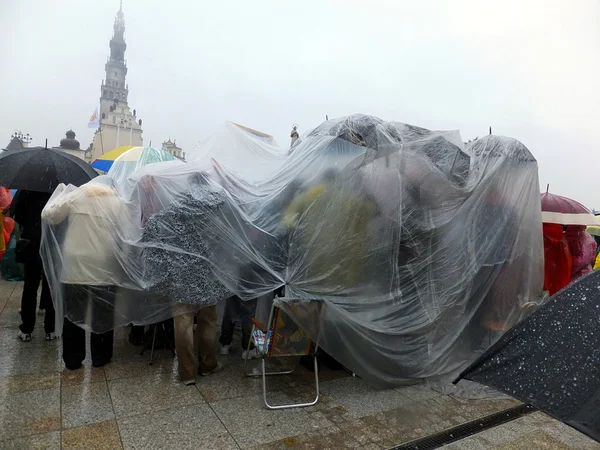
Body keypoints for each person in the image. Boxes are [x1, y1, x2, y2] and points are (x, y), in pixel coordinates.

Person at [42, 183, 126, 369]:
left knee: (73, 314)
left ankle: (73, 358)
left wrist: (61, 193)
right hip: (105, 264)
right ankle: (100, 357)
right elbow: (127, 232)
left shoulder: (76, 196)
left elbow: (48, 215)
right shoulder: (117, 202)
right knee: (103, 314)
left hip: (75, 265)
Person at [12, 190, 55, 342]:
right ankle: (51, 329)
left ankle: (26, 328)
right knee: (50, 286)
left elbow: (17, 215)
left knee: (30, 286)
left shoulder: (26, 189)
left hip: (31, 241)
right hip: (51, 242)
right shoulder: (57, 188)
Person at [219, 295, 259, 359]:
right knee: (248, 314)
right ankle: (247, 349)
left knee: (230, 309)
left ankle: (225, 344)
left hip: (233, 285)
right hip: (250, 287)